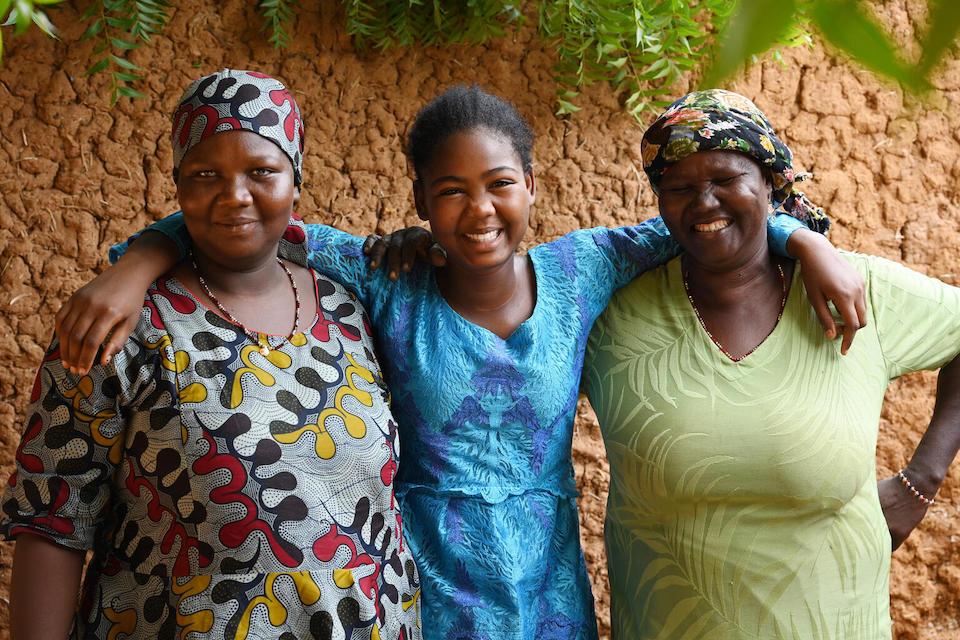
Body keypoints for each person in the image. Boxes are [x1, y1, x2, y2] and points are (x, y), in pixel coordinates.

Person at [52, 86, 865, 639]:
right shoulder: (385, 276)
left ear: (533, 186)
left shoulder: (584, 269)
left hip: (549, 590)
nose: (479, 210)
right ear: (419, 201)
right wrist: (137, 264)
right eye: (451, 191)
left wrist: (808, 244)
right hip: (428, 590)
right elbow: (244, 219)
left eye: (499, 183)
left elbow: (711, 215)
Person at [2, 69, 421, 640]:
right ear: (177, 185)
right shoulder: (124, 324)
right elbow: (52, 517)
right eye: (205, 174)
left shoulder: (351, 312)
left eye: (261, 171)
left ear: (295, 182)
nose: (235, 195)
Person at [584, 89, 960, 639]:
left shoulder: (856, 292)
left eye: (726, 179)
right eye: (680, 188)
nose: (704, 202)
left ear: (770, 182)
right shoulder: (613, 316)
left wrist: (921, 482)